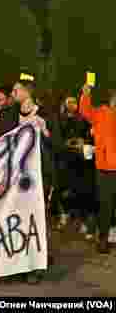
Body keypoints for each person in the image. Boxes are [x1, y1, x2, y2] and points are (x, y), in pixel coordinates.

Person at [13, 79, 54, 282]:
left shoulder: (44, 114)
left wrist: (45, 131)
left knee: (37, 217)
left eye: (16, 89)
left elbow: (57, 142)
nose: (13, 93)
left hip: (40, 174)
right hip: (19, 176)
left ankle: (36, 267)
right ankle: (21, 262)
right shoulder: (13, 115)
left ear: (26, 92)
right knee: (20, 218)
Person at [80, 84, 116, 254]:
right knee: (105, 204)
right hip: (105, 167)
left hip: (108, 165)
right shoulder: (101, 112)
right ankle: (103, 238)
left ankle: (107, 235)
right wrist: (86, 94)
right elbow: (85, 112)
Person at [59, 95, 96, 240]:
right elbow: (58, 137)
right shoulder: (61, 119)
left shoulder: (83, 118)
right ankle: (65, 216)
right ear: (64, 104)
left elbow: (89, 135)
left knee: (82, 190)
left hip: (82, 160)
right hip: (66, 160)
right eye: (69, 102)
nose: (72, 105)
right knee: (66, 189)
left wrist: (83, 141)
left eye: (74, 102)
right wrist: (66, 143)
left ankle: (84, 222)